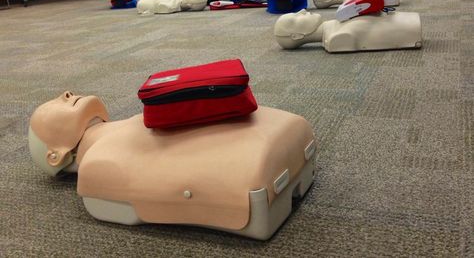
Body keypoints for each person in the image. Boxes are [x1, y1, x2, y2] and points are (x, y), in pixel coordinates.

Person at [28, 91, 315, 240]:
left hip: (266, 153)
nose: (66, 94)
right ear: (55, 155)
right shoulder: (99, 162)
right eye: (54, 105)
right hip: (266, 158)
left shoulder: (129, 126)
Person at [274, 9, 423, 52]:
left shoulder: (337, 23)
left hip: (409, 22)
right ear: (297, 35)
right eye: (295, 18)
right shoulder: (337, 37)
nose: (302, 10)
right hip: (411, 28)